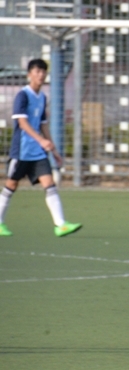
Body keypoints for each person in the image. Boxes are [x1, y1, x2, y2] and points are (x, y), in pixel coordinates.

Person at [0, 59, 82, 237]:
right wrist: (40, 140)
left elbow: (43, 124)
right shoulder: (23, 95)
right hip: (22, 151)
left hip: (37, 153)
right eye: (37, 72)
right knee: (11, 185)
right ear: (29, 74)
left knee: (49, 184)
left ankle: (60, 225)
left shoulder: (42, 97)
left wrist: (54, 150)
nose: (41, 75)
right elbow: (22, 122)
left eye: (43, 72)